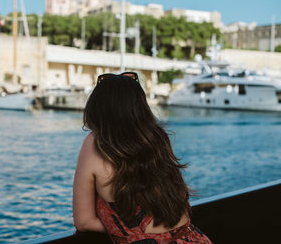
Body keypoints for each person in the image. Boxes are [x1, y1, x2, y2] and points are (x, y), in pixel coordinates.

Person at [73, 72, 212, 244]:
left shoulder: (95, 142)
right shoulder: (156, 137)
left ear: (98, 107)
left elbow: (83, 222)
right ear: (140, 106)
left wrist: (129, 231)